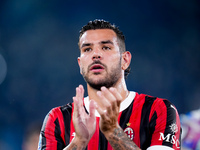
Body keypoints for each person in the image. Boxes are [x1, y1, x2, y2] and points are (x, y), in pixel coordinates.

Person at [38, 19, 181, 150]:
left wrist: (114, 132)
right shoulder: (57, 118)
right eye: (87, 49)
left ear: (125, 60)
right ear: (80, 65)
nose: (95, 54)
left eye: (105, 47)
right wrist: (79, 142)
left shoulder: (159, 110)